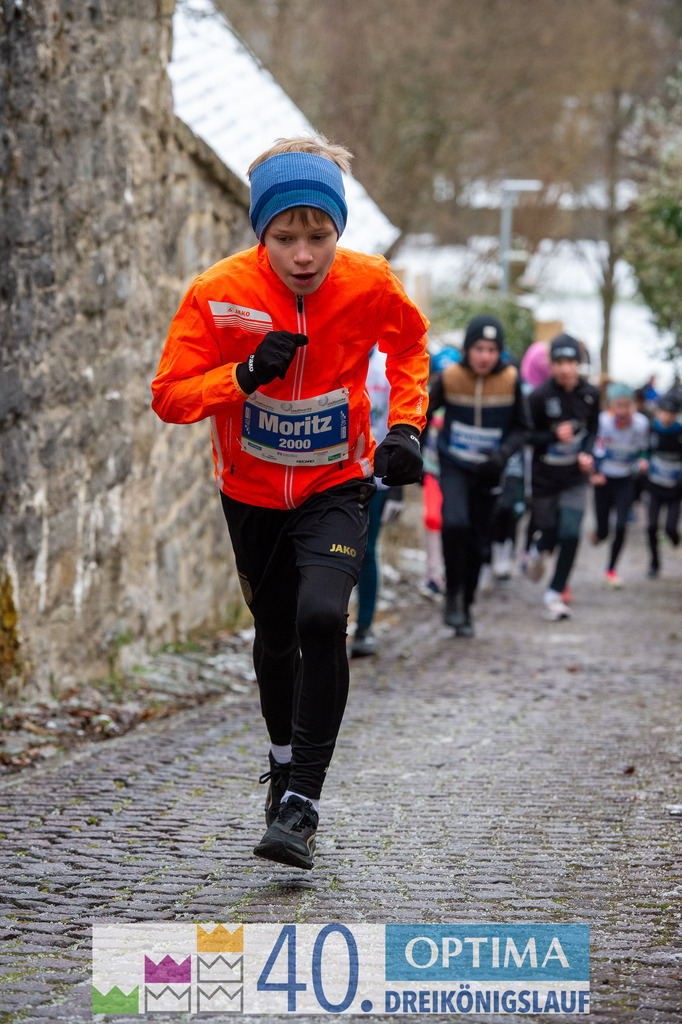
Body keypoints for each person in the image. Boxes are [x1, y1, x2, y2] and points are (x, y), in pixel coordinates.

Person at [151, 135, 429, 869]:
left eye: (320, 237)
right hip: (249, 492)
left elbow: (410, 351)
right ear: (260, 234)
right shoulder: (217, 292)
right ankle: (281, 765)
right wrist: (240, 377)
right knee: (275, 636)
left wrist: (405, 426)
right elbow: (169, 398)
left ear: (339, 232)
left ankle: (303, 800)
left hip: (336, 483)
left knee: (318, 618)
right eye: (286, 238)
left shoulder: (370, 284)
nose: (304, 256)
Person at [424, 314, 529, 637]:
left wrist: (501, 455)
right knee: (454, 523)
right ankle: (452, 592)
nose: (485, 356)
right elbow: (423, 414)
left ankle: (466, 603)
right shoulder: (451, 377)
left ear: (500, 353)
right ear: (468, 348)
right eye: (479, 348)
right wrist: (412, 454)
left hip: (489, 471)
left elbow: (522, 428)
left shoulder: (511, 380)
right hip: (454, 464)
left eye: (492, 350)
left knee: (478, 540)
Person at [525, 334, 600, 620]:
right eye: (559, 362)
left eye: (570, 362)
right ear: (551, 365)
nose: (565, 368)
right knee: (551, 530)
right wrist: (552, 435)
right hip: (545, 477)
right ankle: (538, 548)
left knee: (570, 532)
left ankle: (554, 593)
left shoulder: (591, 394)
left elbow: (592, 430)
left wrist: (588, 453)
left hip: (574, 477)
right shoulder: (539, 396)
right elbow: (527, 434)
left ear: (578, 364)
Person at [349, 346, 406, 658]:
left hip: (377, 475)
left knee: (366, 550)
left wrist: (397, 485)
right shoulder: (336, 350)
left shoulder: (387, 364)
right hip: (336, 474)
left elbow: (406, 420)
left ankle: (364, 626)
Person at [590, 384, 649, 587]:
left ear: (634, 405)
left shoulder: (641, 424)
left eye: (627, 405)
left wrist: (642, 461)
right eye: (618, 405)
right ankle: (599, 533)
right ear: (610, 406)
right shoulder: (603, 422)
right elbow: (595, 450)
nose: (623, 411)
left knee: (622, 526)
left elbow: (643, 449)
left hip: (625, 480)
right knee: (605, 530)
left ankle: (611, 570)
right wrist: (595, 473)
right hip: (604, 480)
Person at [644, 392, 682, 578]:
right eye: (662, 412)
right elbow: (644, 452)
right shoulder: (652, 430)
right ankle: (654, 562)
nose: (665, 417)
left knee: (670, 528)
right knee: (651, 527)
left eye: (669, 413)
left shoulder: (679, 432)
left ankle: (675, 538)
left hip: (675, 490)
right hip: (655, 487)